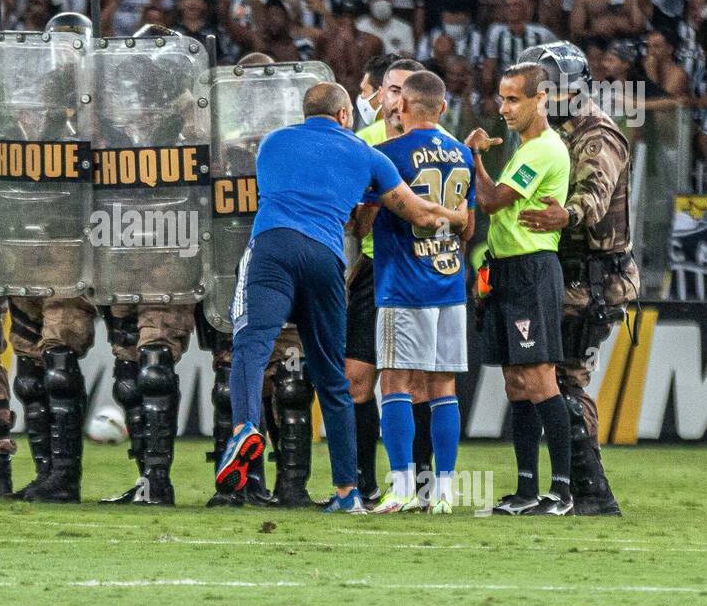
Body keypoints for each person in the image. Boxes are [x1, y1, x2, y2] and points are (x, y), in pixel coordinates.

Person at [220, 81, 469, 514]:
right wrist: (458, 215)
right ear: (342, 115)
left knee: (250, 345)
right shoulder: (364, 153)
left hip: (272, 248)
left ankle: (245, 427)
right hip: (325, 257)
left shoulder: (274, 143)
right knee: (333, 376)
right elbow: (422, 216)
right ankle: (347, 491)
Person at [516, 40, 635, 516]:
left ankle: (591, 492)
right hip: (561, 272)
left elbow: (595, 196)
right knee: (551, 379)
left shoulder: (596, 134)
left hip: (593, 279)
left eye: (547, 89)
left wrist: (567, 214)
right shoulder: (546, 132)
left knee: (564, 380)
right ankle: (573, 489)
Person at [359, 71, 474, 515]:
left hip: (403, 284)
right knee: (444, 385)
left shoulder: (385, 155)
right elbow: (469, 228)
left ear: (401, 107)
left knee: (396, 385)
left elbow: (363, 222)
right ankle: (443, 491)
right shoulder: (462, 153)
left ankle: (403, 487)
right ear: (443, 108)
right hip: (449, 281)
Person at [465, 62, 574, 516]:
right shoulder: (524, 148)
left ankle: (563, 493)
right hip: (508, 271)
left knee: (540, 378)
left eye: (514, 99)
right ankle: (527, 489)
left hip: (532, 272)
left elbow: (490, 202)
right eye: (501, 98)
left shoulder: (542, 150)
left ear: (540, 100)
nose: (504, 108)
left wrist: (472, 159)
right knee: (516, 382)